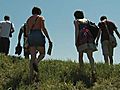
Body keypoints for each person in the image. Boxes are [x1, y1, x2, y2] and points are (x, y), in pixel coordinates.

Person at [26, 7, 52, 83]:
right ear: (39, 11)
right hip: (38, 34)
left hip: (31, 36)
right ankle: (36, 62)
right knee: (42, 54)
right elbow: (43, 28)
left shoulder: (28, 19)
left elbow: (27, 31)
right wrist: (48, 38)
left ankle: (31, 78)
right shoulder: (40, 18)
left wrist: (27, 41)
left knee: (32, 57)